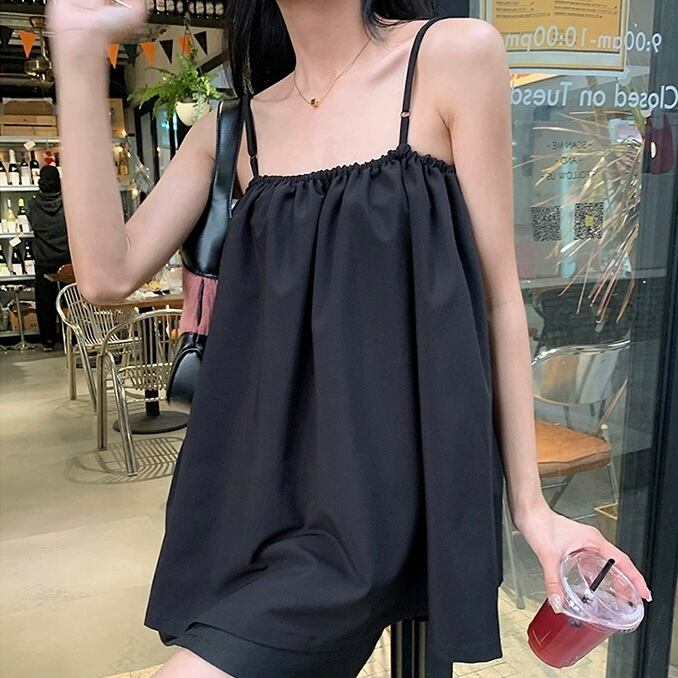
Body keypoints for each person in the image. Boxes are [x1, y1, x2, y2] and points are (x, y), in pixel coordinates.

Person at [47, 1, 652, 677]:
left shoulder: (450, 58)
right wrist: (78, 53)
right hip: (252, 485)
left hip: (372, 506)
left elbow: (498, 299)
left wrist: (531, 507)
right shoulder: (235, 130)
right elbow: (106, 275)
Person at [26, 164, 71, 352]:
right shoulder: (67, 203)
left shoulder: (32, 205)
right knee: (70, 300)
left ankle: (48, 340)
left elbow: (33, 225)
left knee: (45, 301)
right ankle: (72, 337)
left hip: (44, 259)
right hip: (67, 258)